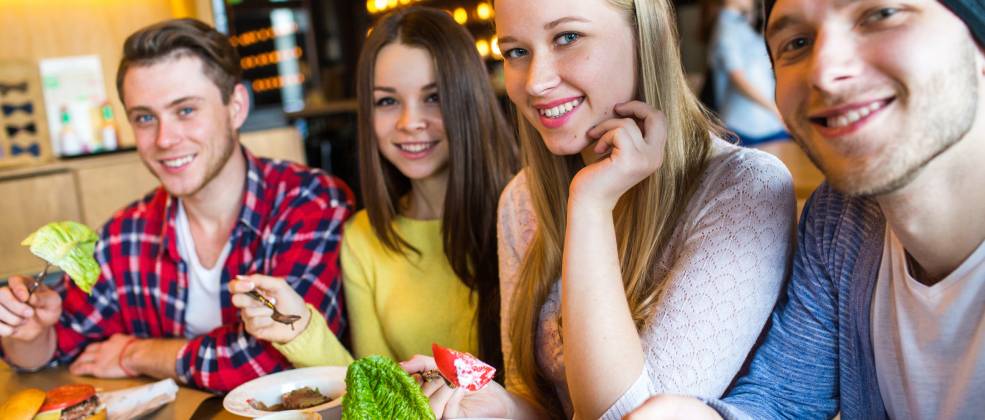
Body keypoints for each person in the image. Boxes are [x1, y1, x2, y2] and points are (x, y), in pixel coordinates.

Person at [401, 0, 796, 418]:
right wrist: (495, 406)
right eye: (516, 51)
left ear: (648, 37)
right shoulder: (522, 198)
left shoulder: (744, 190)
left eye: (567, 37)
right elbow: (541, 402)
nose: (536, 82)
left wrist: (590, 204)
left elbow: (628, 416)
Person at [627, 0, 985, 418]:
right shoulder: (841, 220)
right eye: (796, 43)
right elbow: (784, 399)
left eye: (881, 14)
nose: (824, 72)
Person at [0, 18, 354, 393]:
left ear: (235, 106)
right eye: (145, 118)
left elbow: (274, 360)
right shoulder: (127, 233)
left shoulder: (311, 202)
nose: (165, 139)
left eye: (185, 110)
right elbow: (53, 348)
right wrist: (27, 332)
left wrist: (140, 353)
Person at [229, 6, 517, 373]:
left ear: (469, 99)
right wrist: (298, 326)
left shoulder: (524, 212)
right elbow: (377, 388)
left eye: (434, 97)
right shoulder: (362, 237)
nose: (409, 122)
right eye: (387, 101)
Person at [707, 0, 789, 145]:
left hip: (765, 122)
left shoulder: (739, 24)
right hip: (747, 126)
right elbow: (737, 78)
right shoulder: (726, 28)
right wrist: (775, 108)